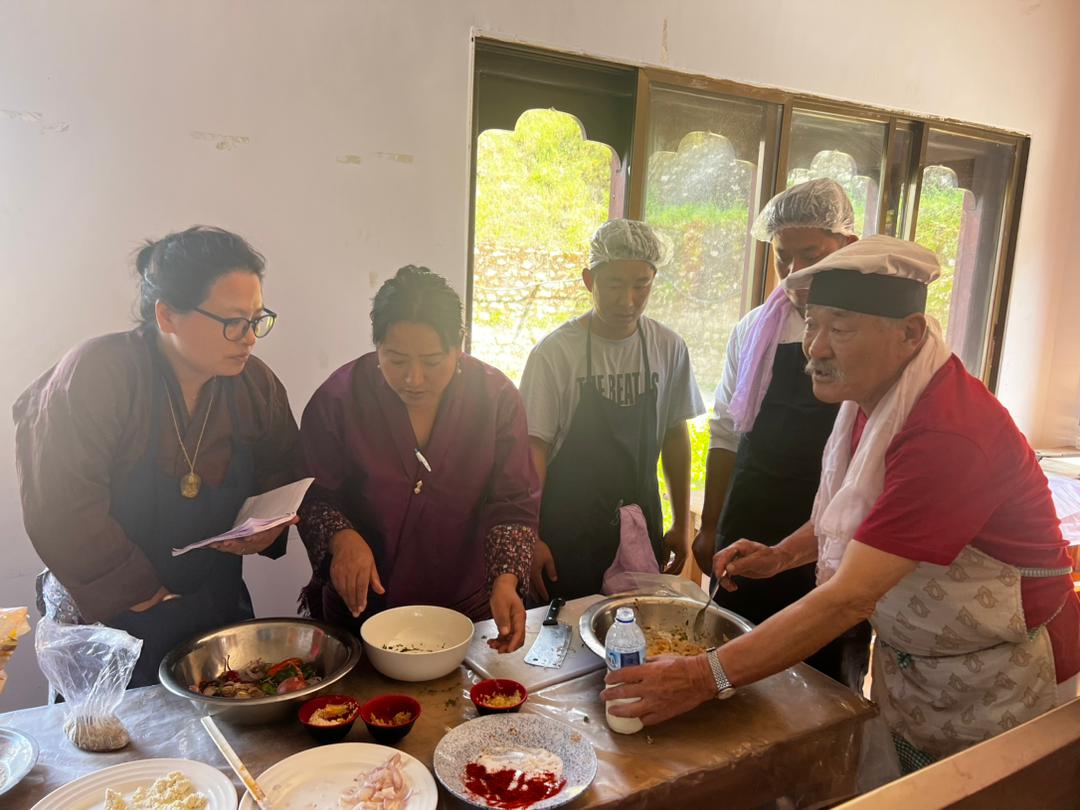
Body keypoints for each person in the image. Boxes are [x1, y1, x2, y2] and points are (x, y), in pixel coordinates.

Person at [601, 236, 1080, 773]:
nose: (815, 348)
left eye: (841, 328)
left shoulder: (948, 435)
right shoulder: (876, 403)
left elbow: (848, 599)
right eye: (811, 323)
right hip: (920, 667)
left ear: (910, 333)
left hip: (1004, 678)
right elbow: (862, 516)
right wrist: (783, 554)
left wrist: (699, 677)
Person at [15, 226, 299, 686]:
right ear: (167, 315)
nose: (249, 338)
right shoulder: (98, 375)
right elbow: (60, 506)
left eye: (256, 319)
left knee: (221, 732)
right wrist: (140, 590)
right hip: (109, 613)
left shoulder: (254, 385)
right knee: (118, 746)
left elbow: (283, 470)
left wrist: (265, 529)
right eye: (232, 322)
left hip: (211, 600)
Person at [296, 266, 538, 653]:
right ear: (376, 347)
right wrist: (341, 537)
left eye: (431, 360)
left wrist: (506, 580)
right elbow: (312, 495)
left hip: (462, 611)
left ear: (458, 345)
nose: (414, 379)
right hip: (362, 612)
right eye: (396, 359)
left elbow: (513, 503)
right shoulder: (338, 400)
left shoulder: (495, 399)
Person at [691, 178, 869, 687]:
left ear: (847, 247)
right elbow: (725, 431)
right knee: (733, 662)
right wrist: (712, 525)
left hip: (830, 523)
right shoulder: (754, 329)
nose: (794, 273)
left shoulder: (870, 336)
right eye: (782, 257)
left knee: (823, 676)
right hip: (752, 511)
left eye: (809, 254)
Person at [520, 219, 705, 601]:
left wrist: (681, 523)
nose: (628, 301)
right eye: (614, 285)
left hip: (641, 523)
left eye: (642, 286)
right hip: (566, 530)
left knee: (635, 632)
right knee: (565, 640)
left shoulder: (668, 347)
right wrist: (530, 536)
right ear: (590, 280)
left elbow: (674, 434)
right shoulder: (555, 354)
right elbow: (531, 451)